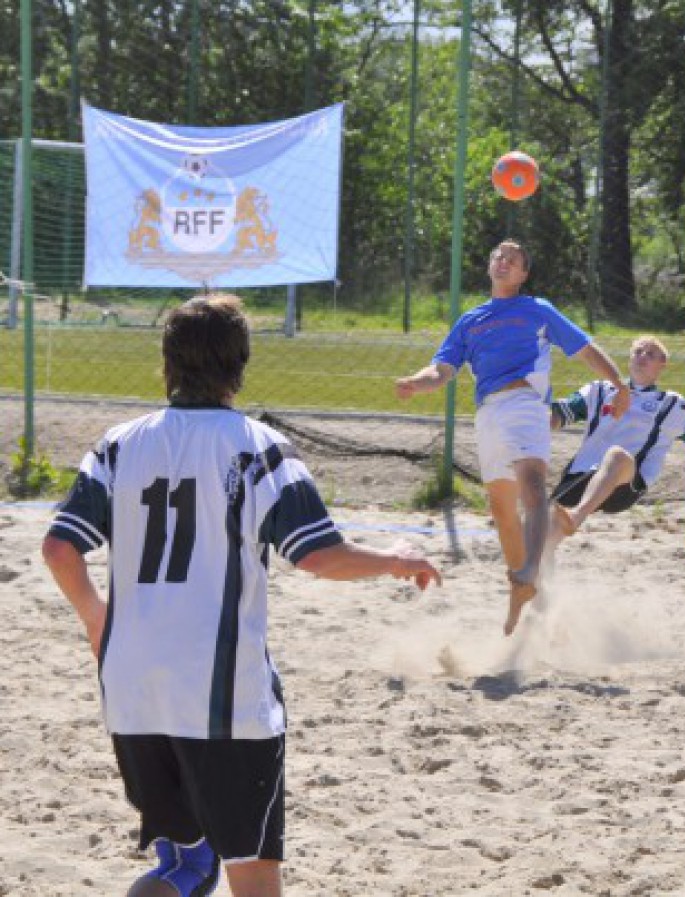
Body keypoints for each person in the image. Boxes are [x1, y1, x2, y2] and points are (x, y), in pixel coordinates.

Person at [42, 294, 441, 897]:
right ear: (240, 365)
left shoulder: (118, 444)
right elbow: (317, 555)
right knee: (251, 873)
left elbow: (59, 548)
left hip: (131, 690)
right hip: (221, 698)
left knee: (186, 865)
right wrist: (394, 560)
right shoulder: (259, 448)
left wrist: (97, 619)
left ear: (167, 362)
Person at [394, 239, 628, 635]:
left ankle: (529, 570)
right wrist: (416, 383)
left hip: (525, 404)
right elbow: (442, 370)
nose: (503, 262)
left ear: (523, 273)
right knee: (502, 510)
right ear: (490, 267)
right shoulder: (470, 320)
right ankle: (527, 589)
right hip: (488, 414)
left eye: (512, 259)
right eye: (498, 257)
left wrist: (619, 385)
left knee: (532, 487)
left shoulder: (536, 309)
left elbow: (585, 349)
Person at [547, 335, 685, 544]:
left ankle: (577, 516)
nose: (642, 356)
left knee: (616, 455)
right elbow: (558, 416)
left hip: (624, 486)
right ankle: (537, 572)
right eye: (638, 351)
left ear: (662, 364)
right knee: (543, 531)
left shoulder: (672, 405)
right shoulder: (599, 390)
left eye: (650, 354)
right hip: (580, 476)